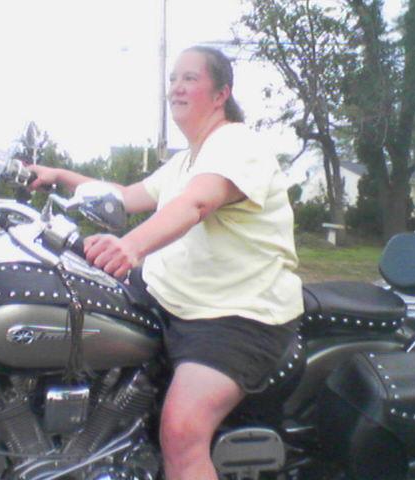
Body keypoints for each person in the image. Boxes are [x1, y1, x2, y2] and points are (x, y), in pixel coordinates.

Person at [28, 45, 304, 480]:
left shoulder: (237, 144)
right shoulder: (187, 160)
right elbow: (124, 195)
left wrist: (131, 245)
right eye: (173, 78)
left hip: (236, 314)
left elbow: (197, 203)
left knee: (181, 431)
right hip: (175, 297)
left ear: (221, 94)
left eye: (190, 78)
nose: (176, 87)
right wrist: (59, 176)